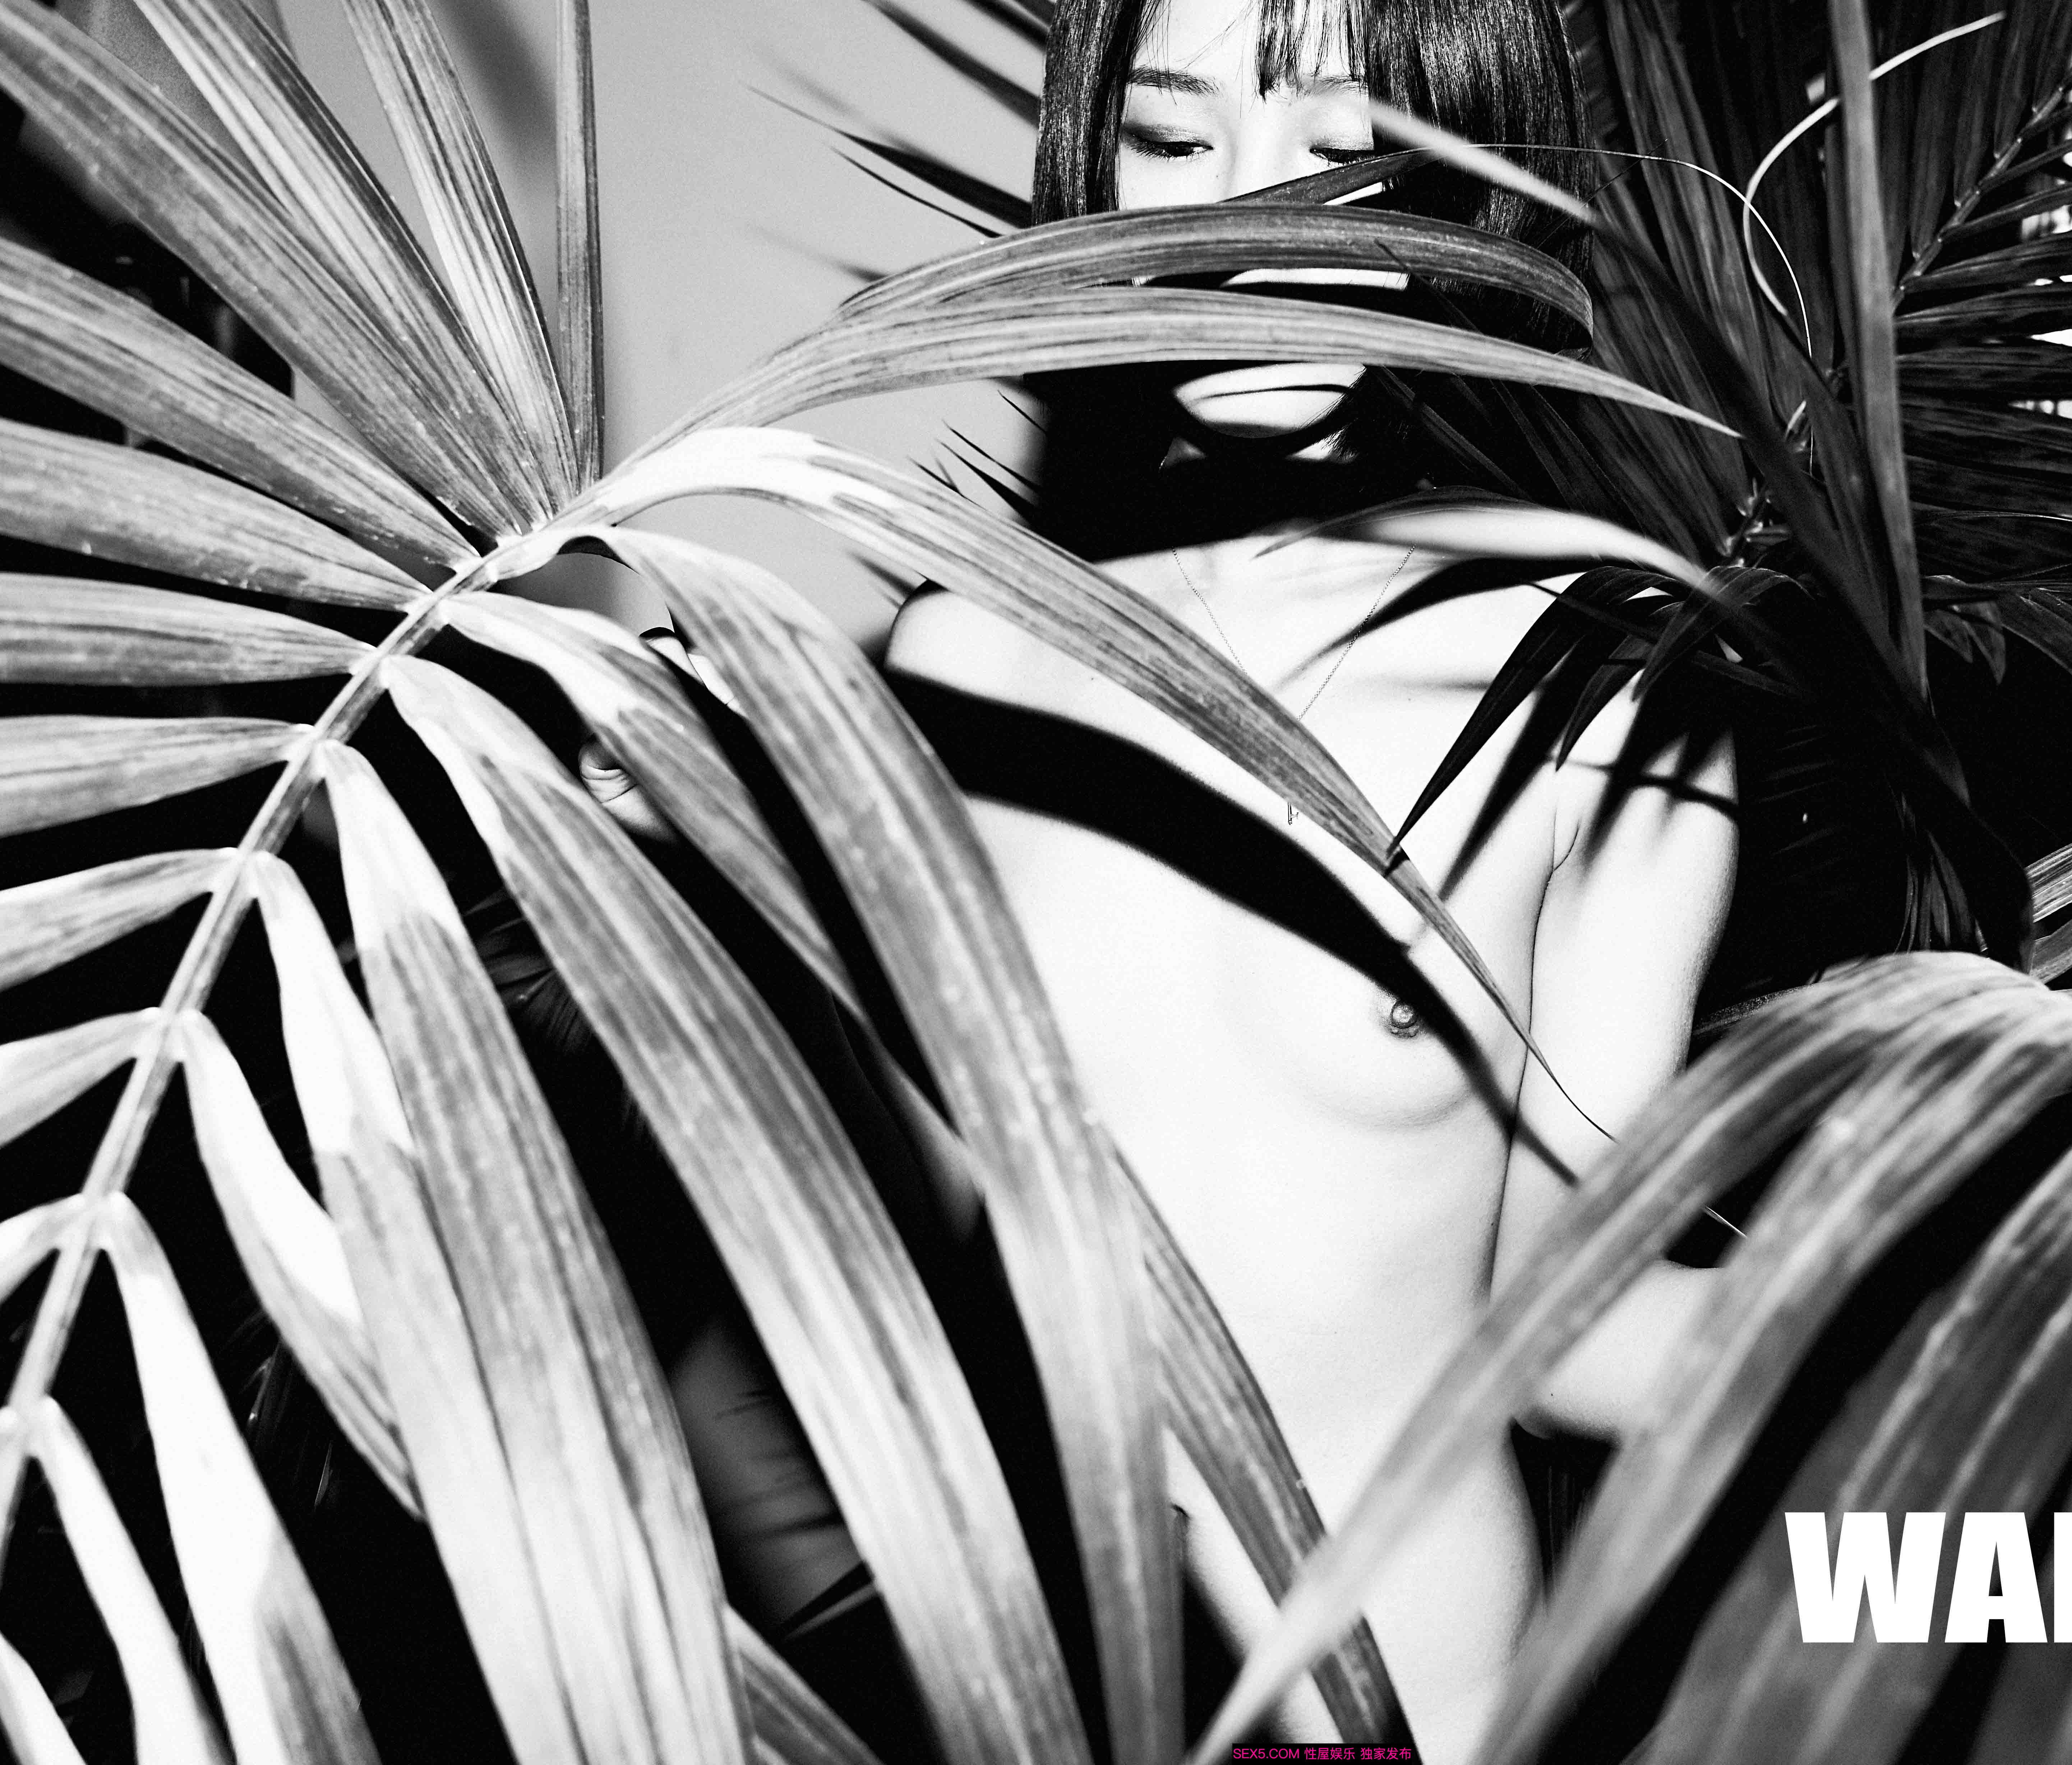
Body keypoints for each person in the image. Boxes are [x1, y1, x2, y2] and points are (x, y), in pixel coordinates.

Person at [667, 0, 1740, 1756]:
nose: (1254, 228)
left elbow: (1570, 1327)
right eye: (1174, 143)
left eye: (1344, 155)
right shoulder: (957, 666)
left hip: (1399, 1717)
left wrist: (1991, 1341)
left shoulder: (1598, 691)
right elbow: (873, 1283)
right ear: (1092, 179)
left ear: (1469, 180)